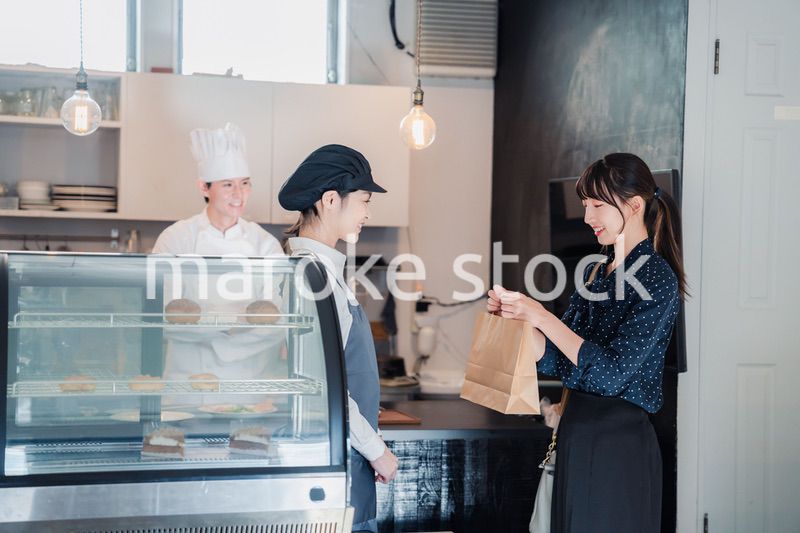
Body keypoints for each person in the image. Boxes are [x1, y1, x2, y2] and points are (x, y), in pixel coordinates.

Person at [489, 153, 686, 533]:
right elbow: (558, 360)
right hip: (576, 433)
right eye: (584, 205)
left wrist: (542, 316)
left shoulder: (657, 278)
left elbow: (611, 375)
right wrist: (516, 319)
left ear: (634, 205)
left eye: (597, 205)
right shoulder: (598, 270)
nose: (587, 217)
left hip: (618, 445)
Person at [278, 144, 398, 533]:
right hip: (332, 462)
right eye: (364, 201)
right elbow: (322, 386)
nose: (367, 213)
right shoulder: (315, 278)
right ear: (331, 200)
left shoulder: (317, 272)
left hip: (341, 453)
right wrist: (377, 451)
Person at [152, 123, 284, 404]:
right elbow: (163, 316)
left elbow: (277, 322)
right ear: (204, 187)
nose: (239, 194)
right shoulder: (176, 239)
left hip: (246, 390)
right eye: (227, 185)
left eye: (245, 183)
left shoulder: (265, 245)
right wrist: (233, 326)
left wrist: (215, 337)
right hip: (186, 390)